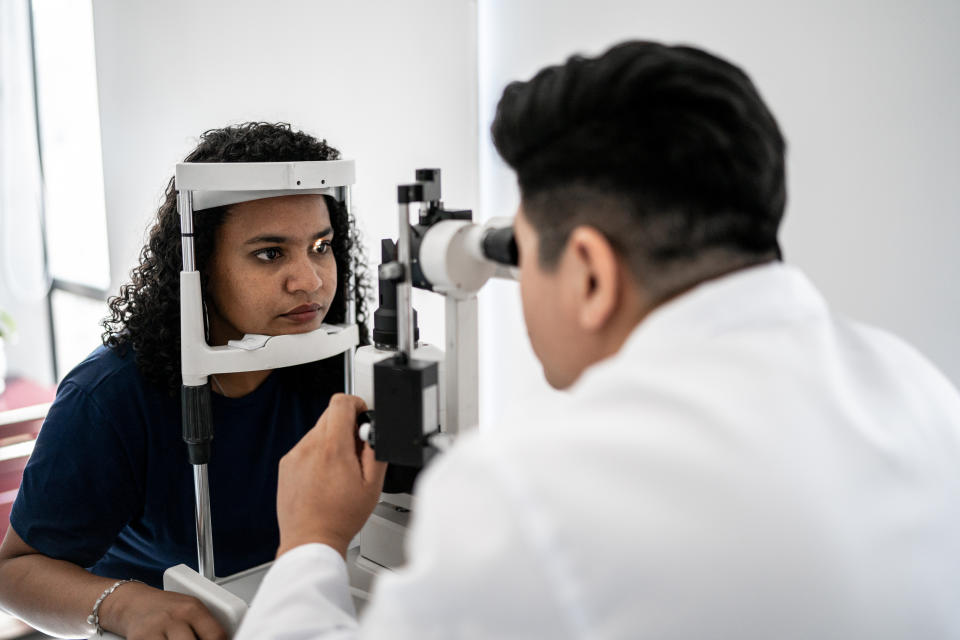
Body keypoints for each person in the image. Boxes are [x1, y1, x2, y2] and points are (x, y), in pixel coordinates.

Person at [237, 41, 960, 639]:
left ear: (587, 270)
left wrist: (310, 543)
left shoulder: (535, 494)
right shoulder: (922, 393)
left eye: (522, 251)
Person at [0, 122, 371, 639]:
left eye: (321, 246)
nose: (309, 280)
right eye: (270, 253)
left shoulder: (339, 364)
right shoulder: (108, 397)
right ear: (198, 266)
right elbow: (13, 573)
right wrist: (124, 605)